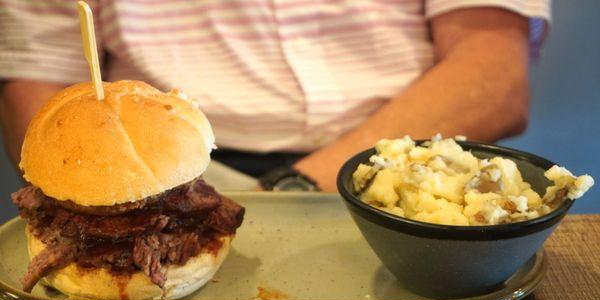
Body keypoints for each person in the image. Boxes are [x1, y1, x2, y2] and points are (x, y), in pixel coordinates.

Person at [0, 1, 549, 191]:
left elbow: (495, 77)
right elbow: (39, 76)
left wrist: (303, 185)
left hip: (412, 166)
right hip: (180, 173)